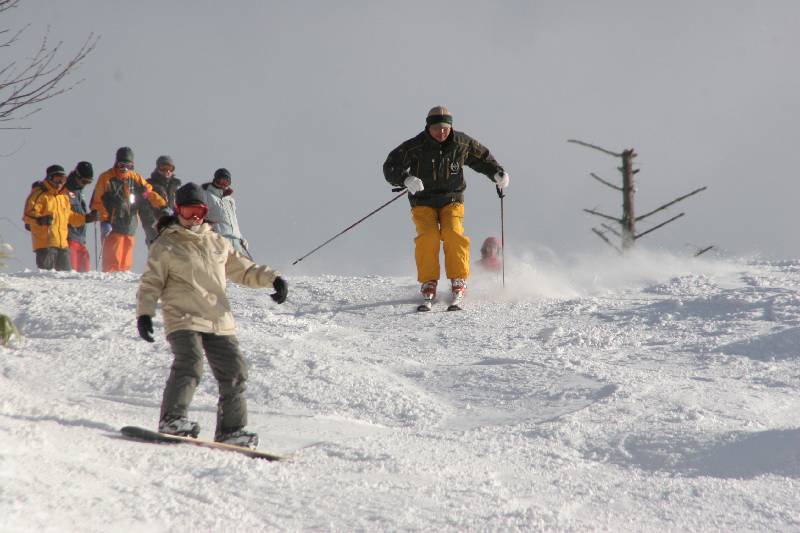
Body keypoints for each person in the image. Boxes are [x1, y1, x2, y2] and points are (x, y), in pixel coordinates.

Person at [135, 182, 288, 448]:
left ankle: (231, 430)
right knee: (190, 362)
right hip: (183, 316)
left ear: (206, 212)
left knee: (235, 370)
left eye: (200, 211)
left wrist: (273, 279)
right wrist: (145, 314)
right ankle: (172, 419)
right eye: (188, 211)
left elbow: (244, 269)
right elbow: (151, 283)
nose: (194, 217)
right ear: (178, 211)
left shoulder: (217, 242)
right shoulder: (166, 244)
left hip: (217, 318)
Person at [382, 105, 510, 309]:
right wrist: (405, 179)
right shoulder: (415, 146)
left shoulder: (461, 143)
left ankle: (458, 280)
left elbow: (482, 158)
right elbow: (390, 166)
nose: (441, 132)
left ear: (451, 127)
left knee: (453, 233)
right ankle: (429, 281)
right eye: (436, 128)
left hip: (452, 199)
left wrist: (497, 173)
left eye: (445, 128)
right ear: (428, 127)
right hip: (422, 201)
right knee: (428, 237)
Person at [90, 147, 167, 272]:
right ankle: (109, 280)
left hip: (130, 224)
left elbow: (149, 192)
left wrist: (162, 205)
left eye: (128, 166)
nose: (125, 169)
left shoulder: (135, 178)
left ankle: (122, 279)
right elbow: (97, 201)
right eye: (122, 165)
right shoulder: (106, 178)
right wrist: (105, 220)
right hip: (113, 225)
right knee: (112, 260)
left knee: (126, 261)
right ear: (116, 163)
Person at [21, 164, 97, 270]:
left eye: (62, 180)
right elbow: (28, 214)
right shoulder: (40, 194)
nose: (60, 183)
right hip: (46, 244)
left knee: (66, 277)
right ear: (49, 178)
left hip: (62, 244)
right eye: (57, 180)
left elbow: (70, 216)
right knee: (48, 276)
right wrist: (40, 219)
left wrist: (86, 218)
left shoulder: (62, 197)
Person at [203, 168, 249, 256]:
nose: (223, 185)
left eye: (226, 182)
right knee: (222, 264)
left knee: (241, 264)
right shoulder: (206, 195)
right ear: (215, 180)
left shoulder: (230, 200)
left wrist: (240, 237)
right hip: (219, 240)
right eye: (220, 181)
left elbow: (233, 221)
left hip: (236, 242)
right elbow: (201, 217)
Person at [139, 155, 182, 246]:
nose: (167, 171)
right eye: (164, 168)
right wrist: (150, 225)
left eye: (170, 169)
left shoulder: (175, 186)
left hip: (172, 226)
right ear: (158, 168)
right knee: (157, 250)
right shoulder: (150, 185)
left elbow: (179, 206)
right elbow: (144, 206)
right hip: (155, 225)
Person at [64, 161, 97, 272]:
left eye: (89, 182)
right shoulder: (64, 190)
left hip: (81, 238)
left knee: (85, 272)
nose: (85, 184)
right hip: (69, 238)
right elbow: (65, 215)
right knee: (72, 273)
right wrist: (86, 218)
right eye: (84, 181)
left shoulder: (79, 190)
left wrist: (92, 215)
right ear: (77, 176)